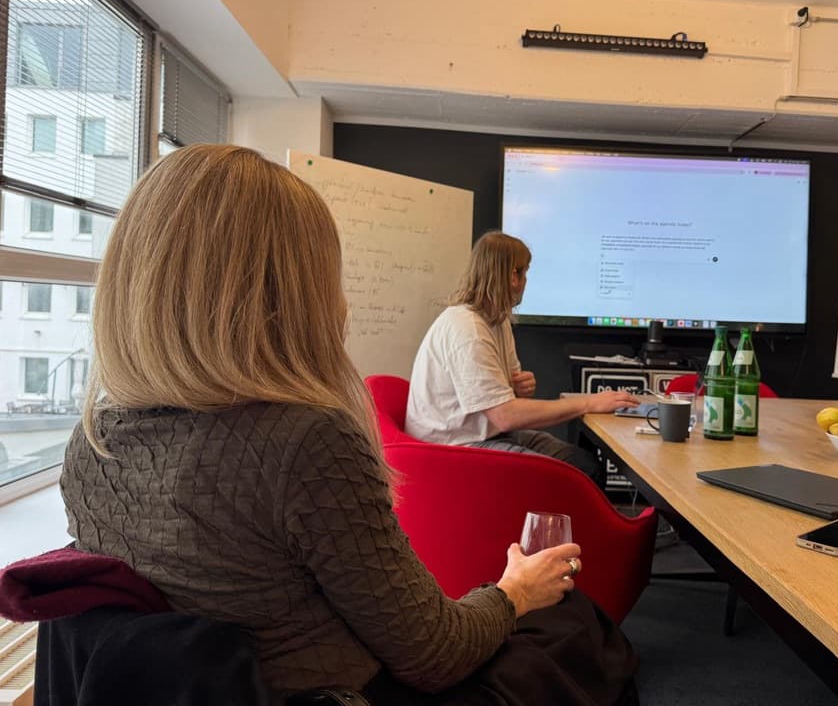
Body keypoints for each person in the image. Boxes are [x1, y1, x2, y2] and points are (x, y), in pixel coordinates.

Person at [60, 145, 636, 704]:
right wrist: (513, 592)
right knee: (578, 625)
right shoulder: (304, 441)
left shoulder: (87, 445)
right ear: (295, 293)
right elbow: (436, 655)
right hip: (333, 691)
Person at [405, 231, 639, 484]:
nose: (526, 280)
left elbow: (507, 400)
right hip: (455, 447)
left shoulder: (498, 319)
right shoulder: (467, 329)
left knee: (582, 465)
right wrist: (588, 403)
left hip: (485, 433)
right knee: (569, 478)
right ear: (512, 276)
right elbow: (506, 415)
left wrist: (514, 387)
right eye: (524, 272)